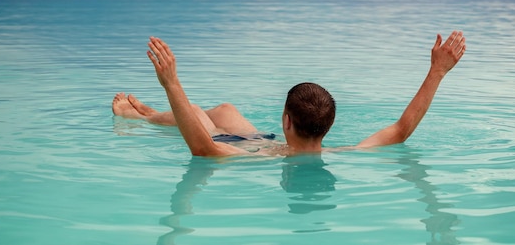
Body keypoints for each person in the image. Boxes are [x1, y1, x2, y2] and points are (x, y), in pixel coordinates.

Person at [112, 31, 466, 157]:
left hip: (245, 146)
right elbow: (402, 130)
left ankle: (141, 116)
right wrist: (437, 71)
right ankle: (150, 113)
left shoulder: (261, 161)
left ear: (286, 120)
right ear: (328, 125)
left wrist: (172, 84)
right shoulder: (346, 151)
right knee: (224, 107)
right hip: (262, 139)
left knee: (198, 113)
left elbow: (202, 148)